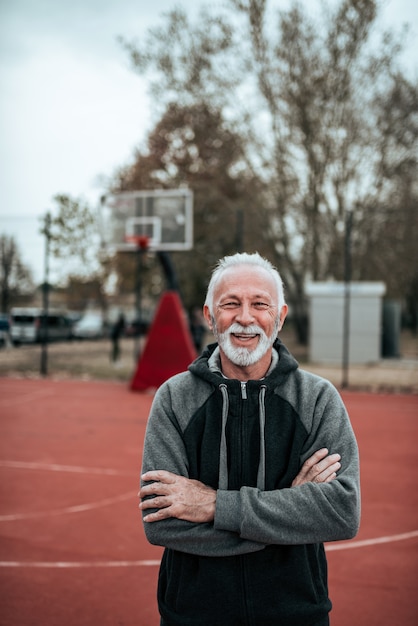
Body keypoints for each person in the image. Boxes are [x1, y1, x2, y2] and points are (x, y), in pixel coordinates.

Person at [140, 252, 360, 626]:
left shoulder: (318, 399)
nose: (245, 317)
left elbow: (341, 512)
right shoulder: (174, 398)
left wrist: (213, 505)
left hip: (296, 613)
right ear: (209, 316)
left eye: (260, 304)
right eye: (231, 304)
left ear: (280, 317)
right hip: (192, 615)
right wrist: (290, 511)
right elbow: (162, 522)